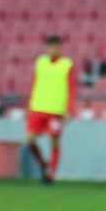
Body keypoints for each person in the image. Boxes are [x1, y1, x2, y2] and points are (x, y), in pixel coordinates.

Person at [25, 35, 75, 183]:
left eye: (56, 47)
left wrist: (69, 108)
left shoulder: (67, 65)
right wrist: (29, 105)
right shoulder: (41, 62)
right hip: (38, 107)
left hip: (56, 110)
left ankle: (51, 173)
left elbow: (72, 88)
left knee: (54, 141)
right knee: (30, 140)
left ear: (60, 48)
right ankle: (42, 163)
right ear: (47, 48)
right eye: (51, 47)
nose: (54, 50)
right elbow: (34, 83)